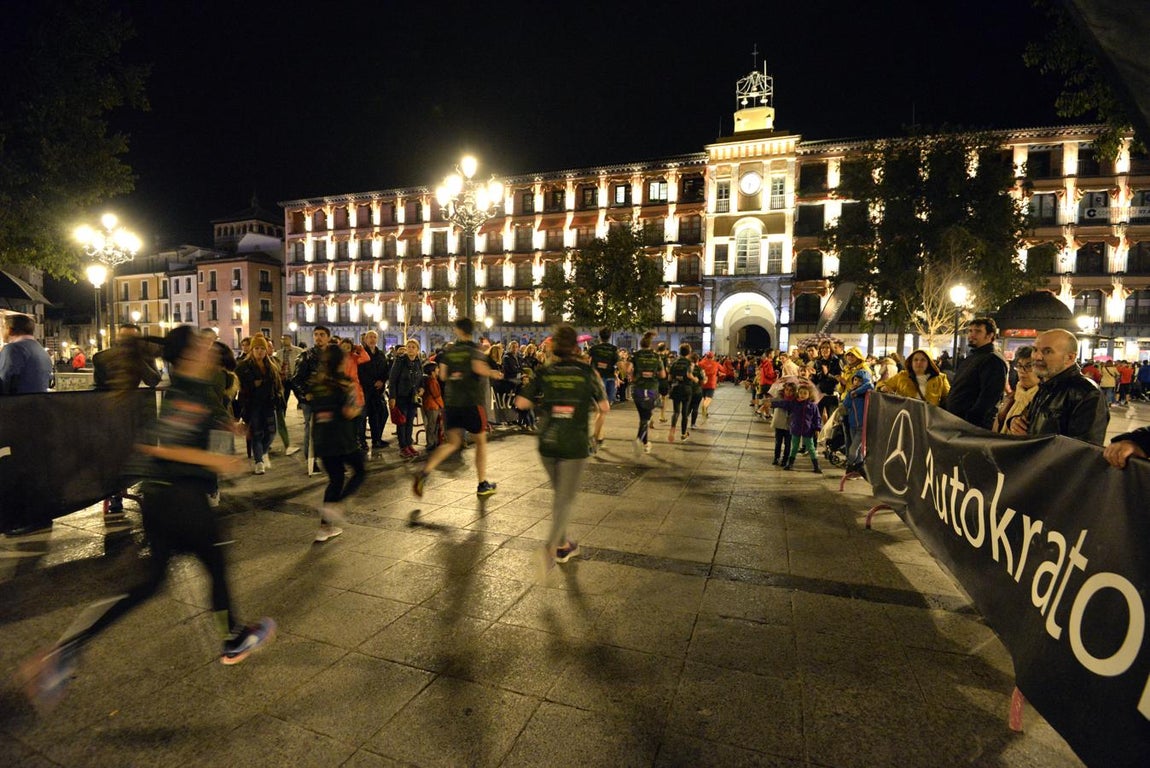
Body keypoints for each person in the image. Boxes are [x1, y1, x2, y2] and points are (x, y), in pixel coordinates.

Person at [18, 327, 275, 713]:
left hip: (163, 499)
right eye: (203, 347)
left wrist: (228, 434)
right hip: (178, 498)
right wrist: (213, 459)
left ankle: (64, 652)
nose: (210, 351)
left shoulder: (194, 388)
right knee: (215, 564)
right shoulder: (188, 392)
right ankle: (232, 638)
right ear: (187, 357)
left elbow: (203, 428)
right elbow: (162, 447)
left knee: (150, 584)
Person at [515, 324, 610, 567]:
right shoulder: (587, 372)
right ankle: (551, 548)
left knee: (560, 494)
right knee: (565, 498)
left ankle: (564, 544)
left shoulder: (545, 371)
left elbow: (521, 402)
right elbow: (605, 407)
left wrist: (546, 402)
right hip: (573, 443)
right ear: (576, 347)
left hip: (548, 441)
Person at [412, 318, 505, 499]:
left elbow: (443, 375)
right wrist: (492, 372)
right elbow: (478, 368)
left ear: (458, 330)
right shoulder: (474, 351)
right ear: (471, 331)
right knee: (480, 441)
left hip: (452, 403)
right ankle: (482, 483)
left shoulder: (449, 351)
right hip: (471, 402)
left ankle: (425, 471)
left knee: (452, 443)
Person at [307, 344, 365, 542]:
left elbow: (311, 403)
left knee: (336, 478)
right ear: (342, 361)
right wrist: (358, 410)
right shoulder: (345, 383)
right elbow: (349, 412)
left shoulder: (316, 382)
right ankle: (337, 505)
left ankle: (325, 528)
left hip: (322, 437)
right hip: (342, 438)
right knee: (360, 471)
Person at [1010, 329, 1108, 445]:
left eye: (1047, 351)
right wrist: (1016, 422)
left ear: (1070, 358)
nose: (1037, 357)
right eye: (1035, 350)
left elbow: (1084, 449)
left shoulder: (1087, 393)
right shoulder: (1046, 385)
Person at [944, 318, 1008, 430]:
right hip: (956, 422)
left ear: (990, 335)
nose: (971, 335)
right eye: (970, 331)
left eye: (978, 331)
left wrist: (970, 419)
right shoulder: (972, 357)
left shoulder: (993, 360)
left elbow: (989, 397)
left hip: (970, 426)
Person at [235, 335, 282, 474]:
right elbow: (239, 385)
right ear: (252, 350)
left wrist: (278, 398)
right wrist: (253, 384)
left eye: (262, 348)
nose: (259, 351)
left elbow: (277, 385)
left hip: (269, 404)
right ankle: (259, 462)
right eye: (256, 348)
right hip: (252, 404)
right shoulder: (243, 366)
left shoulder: (271, 366)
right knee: (257, 433)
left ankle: (262, 452)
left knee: (272, 433)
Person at [290, 325, 332, 470]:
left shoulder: (332, 356)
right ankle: (311, 461)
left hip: (328, 399)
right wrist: (305, 394)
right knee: (311, 429)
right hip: (311, 400)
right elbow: (296, 379)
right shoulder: (306, 356)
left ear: (328, 337)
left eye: (322, 334)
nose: (318, 337)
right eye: (316, 334)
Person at [772, 383, 823, 473]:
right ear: (798, 393)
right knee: (794, 447)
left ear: (809, 394)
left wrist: (817, 428)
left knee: (811, 448)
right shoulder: (794, 403)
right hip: (796, 429)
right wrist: (771, 404)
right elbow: (783, 403)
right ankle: (790, 464)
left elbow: (817, 418)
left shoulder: (812, 406)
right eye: (800, 393)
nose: (802, 395)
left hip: (808, 430)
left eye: (805, 393)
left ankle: (816, 466)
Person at [388, 338, 424, 459]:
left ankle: (409, 444)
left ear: (417, 350)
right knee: (402, 422)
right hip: (401, 396)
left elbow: (421, 377)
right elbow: (392, 380)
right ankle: (403, 447)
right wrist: (392, 397)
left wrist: (421, 388)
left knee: (410, 422)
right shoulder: (400, 361)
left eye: (413, 347)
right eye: (409, 347)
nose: (410, 349)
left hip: (413, 397)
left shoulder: (418, 361)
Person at [0, 315, 53, 394]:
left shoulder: (13, 349)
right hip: (38, 399)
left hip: (17, 400)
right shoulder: (41, 350)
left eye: (3, 328)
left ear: (9, 330)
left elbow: (4, 382)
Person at [630, 331, 664, 455]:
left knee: (643, 418)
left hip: (637, 390)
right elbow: (663, 374)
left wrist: (634, 375)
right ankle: (639, 439)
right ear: (650, 344)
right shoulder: (656, 356)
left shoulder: (635, 355)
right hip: (651, 389)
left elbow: (629, 370)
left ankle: (646, 444)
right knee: (647, 417)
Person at [877, 348, 950, 406]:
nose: (919, 362)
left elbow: (949, 398)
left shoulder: (940, 378)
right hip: (906, 416)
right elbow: (882, 384)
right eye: (915, 360)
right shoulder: (902, 375)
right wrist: (883, 387)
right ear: (911, 362)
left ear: (929, 362)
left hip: (930, 418)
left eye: (923, 360)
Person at [358, 330, 391, 451]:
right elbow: (360, 372)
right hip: (365, 390)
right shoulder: (361, 353)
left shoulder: (381, 354)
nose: (372, 339)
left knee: (379, 415)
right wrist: (372, 382)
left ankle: (376, 439)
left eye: (374, 337)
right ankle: (361, 441)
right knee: (362, 417)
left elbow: (386, 370)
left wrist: (382, 381)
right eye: (370, 337)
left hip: (377, 391)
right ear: (365, 339)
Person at [995, 346, 1039, 434]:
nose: (1022, 371)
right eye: (1019, 366)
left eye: (1028, 366)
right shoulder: (1012, 397)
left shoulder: (1043, 400)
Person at [587, 328, 619, 447]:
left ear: (599, 336)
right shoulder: (613, 349)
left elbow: (588, 363)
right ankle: (596, 437)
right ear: (609, 337)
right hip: (609, 379)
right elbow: (618, 364)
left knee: (600, 410)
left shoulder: (593, 349)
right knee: (603, 410)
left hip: (596, 380)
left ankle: (599, 436)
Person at [844, 368, 874, 473]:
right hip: (853, 425)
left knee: (853, 449)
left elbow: (870, 385)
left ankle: (849, 465)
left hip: (862, 426)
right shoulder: (851, 393)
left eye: (860, 380)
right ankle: (859, 469)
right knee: (858, 449)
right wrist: (850, 394)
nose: (856, 382)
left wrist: (856, 392)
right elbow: (846, 404)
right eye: (855, 380)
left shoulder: (866, 393)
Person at [667, 344, 698, 442]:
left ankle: (672, 429)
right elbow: (689, 374)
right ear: (689, 352)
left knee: (676, 412)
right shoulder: (689, 363)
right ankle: (683, 434)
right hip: (686, 389)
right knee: (685, 413)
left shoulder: (674, 363)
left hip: (676, 388)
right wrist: (695, 379)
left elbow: (669, 378)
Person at [767, 381, 796, 466]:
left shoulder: (796, 401)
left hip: (790, 425)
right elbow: (772, 403)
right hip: (779, 423)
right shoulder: (779, 397)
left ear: (794, 391)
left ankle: (785, 459)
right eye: (787, 390)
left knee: (788, 444)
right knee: (778, 442)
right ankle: (776, 457)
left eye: (791, 390)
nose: (788, 392)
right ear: (784, 390)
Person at [698, 351, 719, 418]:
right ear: (713, 357)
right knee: (709, 398)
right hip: (711, 383)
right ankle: (704, 407)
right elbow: (722, 370)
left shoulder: (701, 363)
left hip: (703, 383)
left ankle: (706, 412)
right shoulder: (715, 363)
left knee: (704, 398)